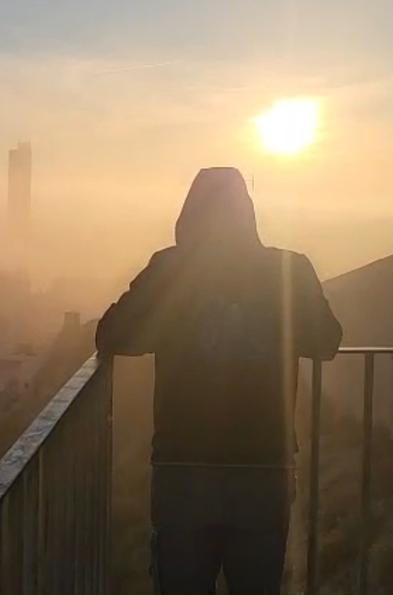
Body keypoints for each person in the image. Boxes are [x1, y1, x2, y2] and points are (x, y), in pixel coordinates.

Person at [96, 167, 342, 594]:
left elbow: (112, 335)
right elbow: (327, 341)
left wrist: (169, 321)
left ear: (189, 214)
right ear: (247, 213)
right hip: (264, 466)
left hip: (183, 466)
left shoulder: (171, 268)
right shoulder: (289, 269)